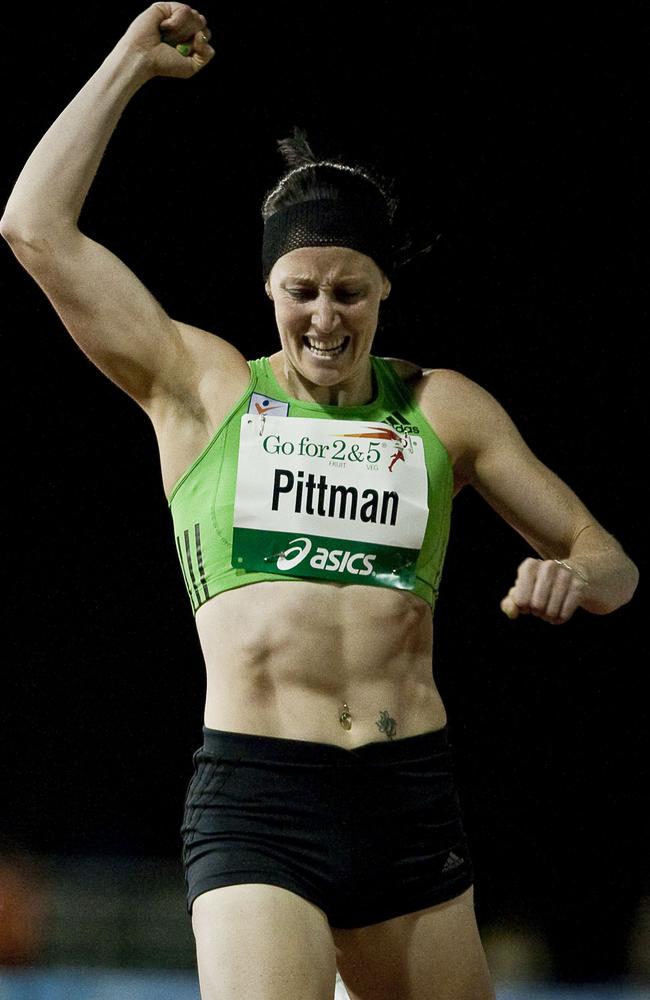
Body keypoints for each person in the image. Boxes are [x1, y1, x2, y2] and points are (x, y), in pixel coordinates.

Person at [1, 5, 639, 999]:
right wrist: (128, 62)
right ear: (269, 287)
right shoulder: (202, 389)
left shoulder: (441, 405)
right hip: (260, 799)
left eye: (349, 291)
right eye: (301, 289)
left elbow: (613, 563)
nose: (323, 317)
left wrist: (572, 574)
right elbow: (33, 228)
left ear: (382, 289)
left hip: (406, 799)